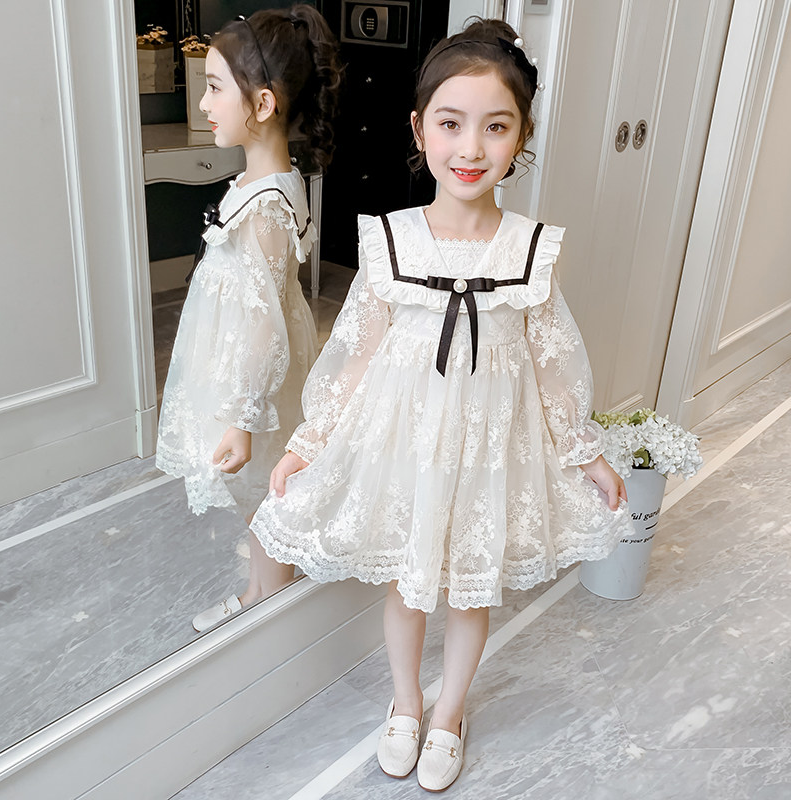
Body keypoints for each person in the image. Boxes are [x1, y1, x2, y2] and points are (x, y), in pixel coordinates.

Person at [250, 17, 632, 792]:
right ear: (419, 128)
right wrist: (308, 441)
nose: (471, 148)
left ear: (521, 137)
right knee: (408, 582)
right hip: (409, 445)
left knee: (468, 587)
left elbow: (552, 361)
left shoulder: (531, 248)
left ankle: (451, 712)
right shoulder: (390, 240)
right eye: (452, 124)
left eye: (496, 127)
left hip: (488, 449)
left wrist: (584, 450)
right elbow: (355, 353)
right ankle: (405, 703)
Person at [155, 5, 343, 632]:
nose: (203, 103)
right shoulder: (265, 184)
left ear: (262, 103)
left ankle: (268, 611)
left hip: (252, 377)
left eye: (214, 88)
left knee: (264, 496)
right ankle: (259, 595)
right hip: (235, 361)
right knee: (257, 500)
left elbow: (263, 327)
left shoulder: (266, 208)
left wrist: (241, 418)